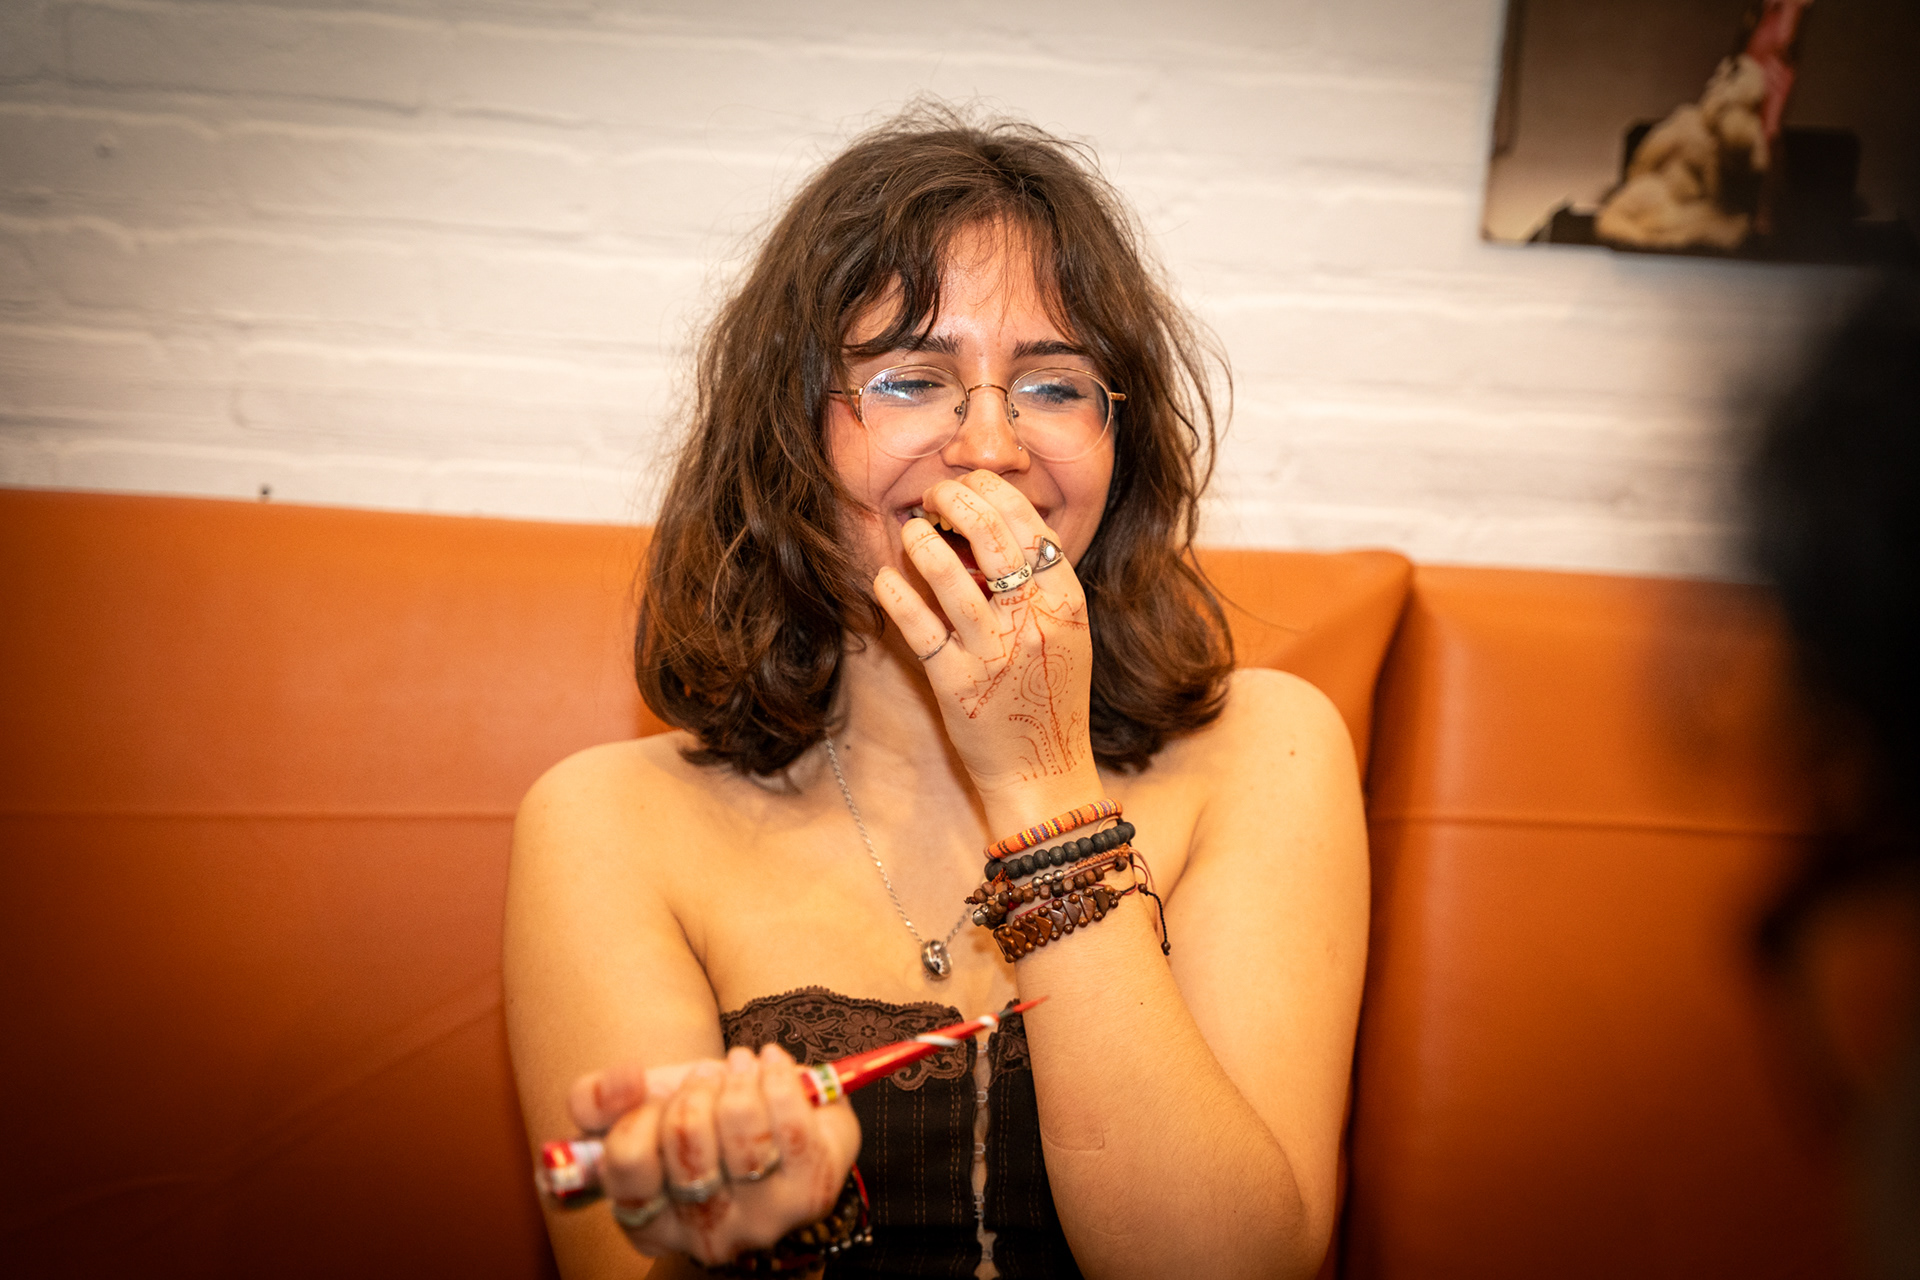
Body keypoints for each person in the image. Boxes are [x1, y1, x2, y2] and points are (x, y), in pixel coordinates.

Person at [503, 106, 1369, 1280]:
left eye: (1055, 384)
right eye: (913, 379)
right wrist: (756, 1226)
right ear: (790, 434)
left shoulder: (1268, 746)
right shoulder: (607, 818)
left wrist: (1042, 782)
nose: (993, 446)